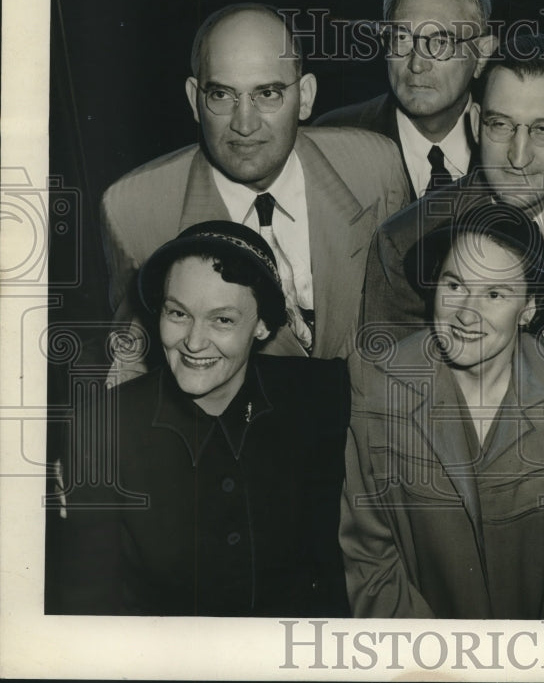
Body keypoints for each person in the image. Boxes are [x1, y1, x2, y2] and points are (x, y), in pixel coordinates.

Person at [51, 222, 351, 616]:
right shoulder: (102, 427)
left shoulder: (320, 395)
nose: (193, 342)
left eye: (222, 320)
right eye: (178, 313)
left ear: (261, 324)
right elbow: (88, 600)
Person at [340, 202, 544, 618]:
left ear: (528, 309)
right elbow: (369, 553)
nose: (466, 313)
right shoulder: (378, 382)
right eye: (454, 285)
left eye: (494, 293)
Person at [101, 3, 409, 380]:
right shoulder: (134, 210)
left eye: (267, 93)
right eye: (221, 95)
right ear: (194, 100)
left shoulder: (375, 168)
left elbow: (405, 321)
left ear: (306, 97)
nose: (244, 124)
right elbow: (133, 365)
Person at [361, 32, 544, 352]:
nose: (518, 157)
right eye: (500, 125)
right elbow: (393, 386)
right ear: (476, 124)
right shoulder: (406, 240)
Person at [314, 0, 496, 201]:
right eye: (401, 38)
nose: (417, 64)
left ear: (482, 54)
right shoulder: (329, 144)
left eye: (441, 43)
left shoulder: (514, 146)